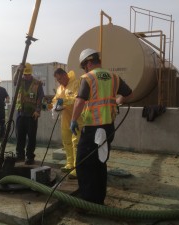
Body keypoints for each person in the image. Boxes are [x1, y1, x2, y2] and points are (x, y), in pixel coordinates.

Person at [70, 48, 133, 205]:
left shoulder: (89, 77)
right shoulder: (114, 77)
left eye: (84, 66)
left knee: (83, 164)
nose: (84, 69)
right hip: (108, 128)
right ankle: (98, 199)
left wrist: (73, 120)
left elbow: (80, 101)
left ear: (89, 62)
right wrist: (118, 101)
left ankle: (87, 201)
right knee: (100, 163)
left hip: (93, 128)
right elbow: (129, 94)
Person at [52, 68, 82, 179]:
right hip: (65, 118)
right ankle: (69, 163)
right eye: (57, 80)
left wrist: (63, 101)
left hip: (77, 118)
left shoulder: (76, 83)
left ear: (65, 75)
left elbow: (77, 99)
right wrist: (54, 105)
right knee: (66, 142)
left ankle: (77, 168)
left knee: (76, 143)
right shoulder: (60, 88)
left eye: (59, 79)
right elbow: (55, 99)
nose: (59, 81)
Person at [14, 62, 44, 165]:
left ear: (31, 73)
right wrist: (18, 70)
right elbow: (14, 81)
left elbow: (40, 97)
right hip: (21, 114)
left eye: (28, 74)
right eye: (25, 74)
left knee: (31, 137)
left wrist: (38, 110)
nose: (26, 76)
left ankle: (30, 157)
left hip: (32, 115)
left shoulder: (37, 83)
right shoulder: (20, 81)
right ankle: (20, 155)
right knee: (20, 136)